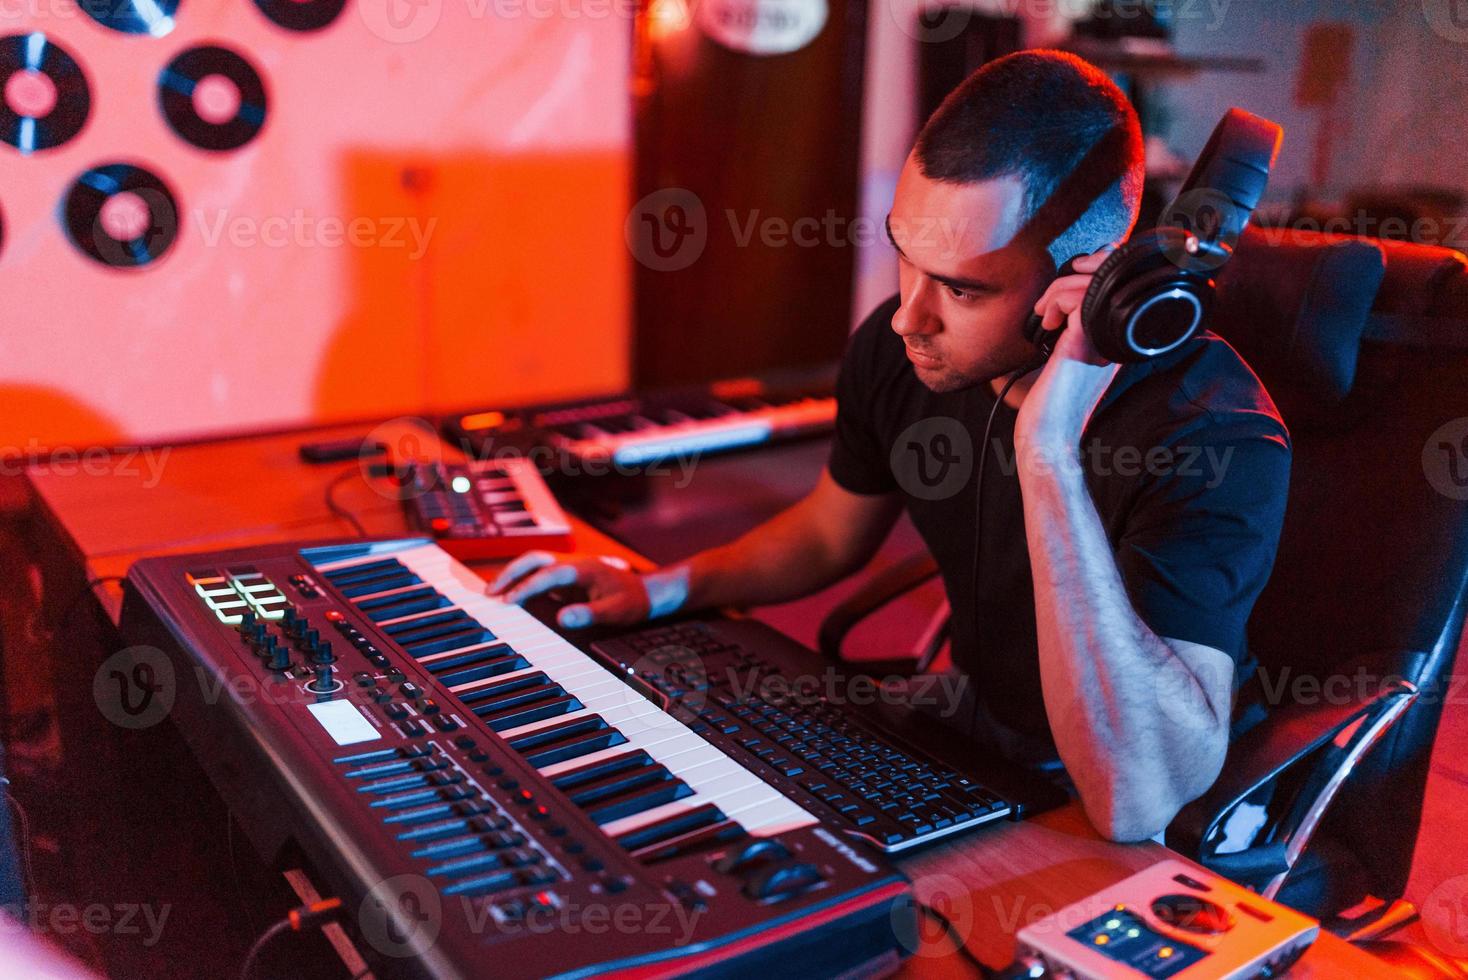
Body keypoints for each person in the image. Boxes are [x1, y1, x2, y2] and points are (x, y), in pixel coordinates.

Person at [491, 50, 1291, 843]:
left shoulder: (1212, 434)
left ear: (1084, 283)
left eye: (963, 288)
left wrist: (1047, 448)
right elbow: (829, 531)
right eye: (908, 260)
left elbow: (1136, 799)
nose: (910, 317)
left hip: (1175, 803)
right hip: (987, 732)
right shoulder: (904, 347)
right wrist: (661, 588)